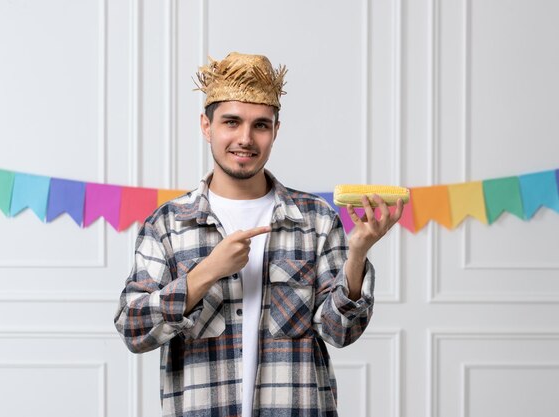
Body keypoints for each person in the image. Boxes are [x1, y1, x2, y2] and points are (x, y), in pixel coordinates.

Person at [114, 52, 404, 417]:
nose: (245, 138)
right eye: (231, 122)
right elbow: (132, 328)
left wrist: (358, 254)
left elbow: (339, 332)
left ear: (275, 131)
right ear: (206, 126)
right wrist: (206, 272)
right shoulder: (168, 224)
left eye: (260, 125)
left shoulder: (315, 220)